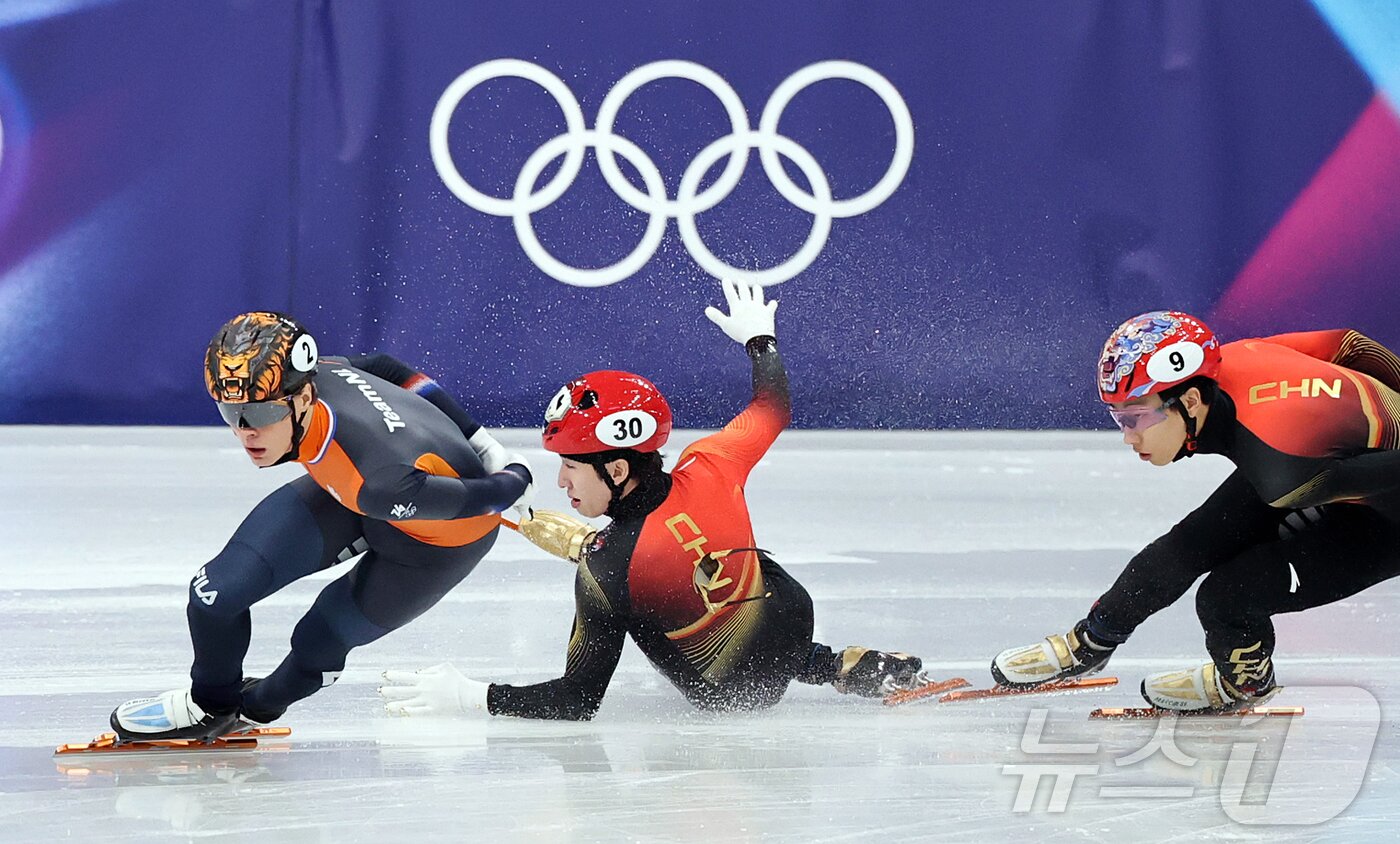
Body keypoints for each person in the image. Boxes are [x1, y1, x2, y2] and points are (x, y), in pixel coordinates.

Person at [377, 279, 924, 720]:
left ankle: (826, 663)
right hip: (792, 620)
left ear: (616, 467)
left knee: (622, 579)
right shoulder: (711, 462)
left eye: (570, 466)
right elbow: (772, 407)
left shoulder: (604, 564)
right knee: (669, 568)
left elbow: (577, 700)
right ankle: (838, 665)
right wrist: (761, 340)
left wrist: (474, 696)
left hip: (730, 695)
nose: (563, 483)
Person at [110, 311, 535, 741]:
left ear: (302, 398)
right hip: (359, 486)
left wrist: (511, 475)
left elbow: (477, 501)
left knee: (318, 640)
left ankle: (257, 710)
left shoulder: (377, 481)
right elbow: (384, 365)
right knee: (213, 594)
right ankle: (211, 706)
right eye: (230, 412)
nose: (245, 432)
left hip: (437, 541)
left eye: (260, 415)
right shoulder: (319, 373)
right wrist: (477, 435)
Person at [991, 311, 1400, 712]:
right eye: (1119, 418)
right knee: (1188, 545)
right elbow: (1350, 343)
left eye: (1136, 418)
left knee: (1228, 597)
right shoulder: (1238, 359)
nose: (1128, 437)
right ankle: (1093, 641)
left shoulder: (1283, 470)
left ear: (1189, 400)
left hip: (1378, 511)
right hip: (1323, 463)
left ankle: (1248, 683)